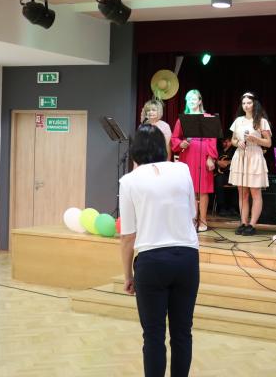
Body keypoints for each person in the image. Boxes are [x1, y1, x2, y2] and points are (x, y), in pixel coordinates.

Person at [119, 124, 199, 377]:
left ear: (136, 150)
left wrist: (127, 275)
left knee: (153, 335)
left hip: (151, 261)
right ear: (162, 147)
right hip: (187, 258)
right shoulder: (182, 169)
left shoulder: (129, 181)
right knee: (182, 333)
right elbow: (193, 213)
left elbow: (128, 235)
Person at [171, 89, 218, 232]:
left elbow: (212, 139)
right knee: (189, 189)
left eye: (194, 99)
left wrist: (211, 157)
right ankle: (191, 219)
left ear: (199, 101)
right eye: (189, 99)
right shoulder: (182, 119)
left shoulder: (208, 118)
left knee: (203, 189)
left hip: (204, 154)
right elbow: (175, 138)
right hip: (188, 154)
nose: (191, 101)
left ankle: (203, 220)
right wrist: (181, 144)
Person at [228, 92, 272, 236]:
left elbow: (268, 143)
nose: (246, 105)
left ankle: (252, 224)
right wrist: (237, 143)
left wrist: (256, 139)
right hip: (241, 156)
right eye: (244, 103)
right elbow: (233, 140)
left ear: (254, 104)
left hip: (255, 156)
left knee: (255, 192)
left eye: (249, 103)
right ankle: (243, 222)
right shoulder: (238, 120)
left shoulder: (261, 121)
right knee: (242, 193)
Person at [214, 133, 237, 217]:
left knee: (237, 181)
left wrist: (228, 162)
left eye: (228, 142)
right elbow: (212, 158)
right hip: (219, 174)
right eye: (224, 142)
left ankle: (233, 207)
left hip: (231, 173)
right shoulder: (217, 148)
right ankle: (221, 207)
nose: (225, 143)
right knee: (219, 180)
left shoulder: (235, 150)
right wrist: (217, 162)